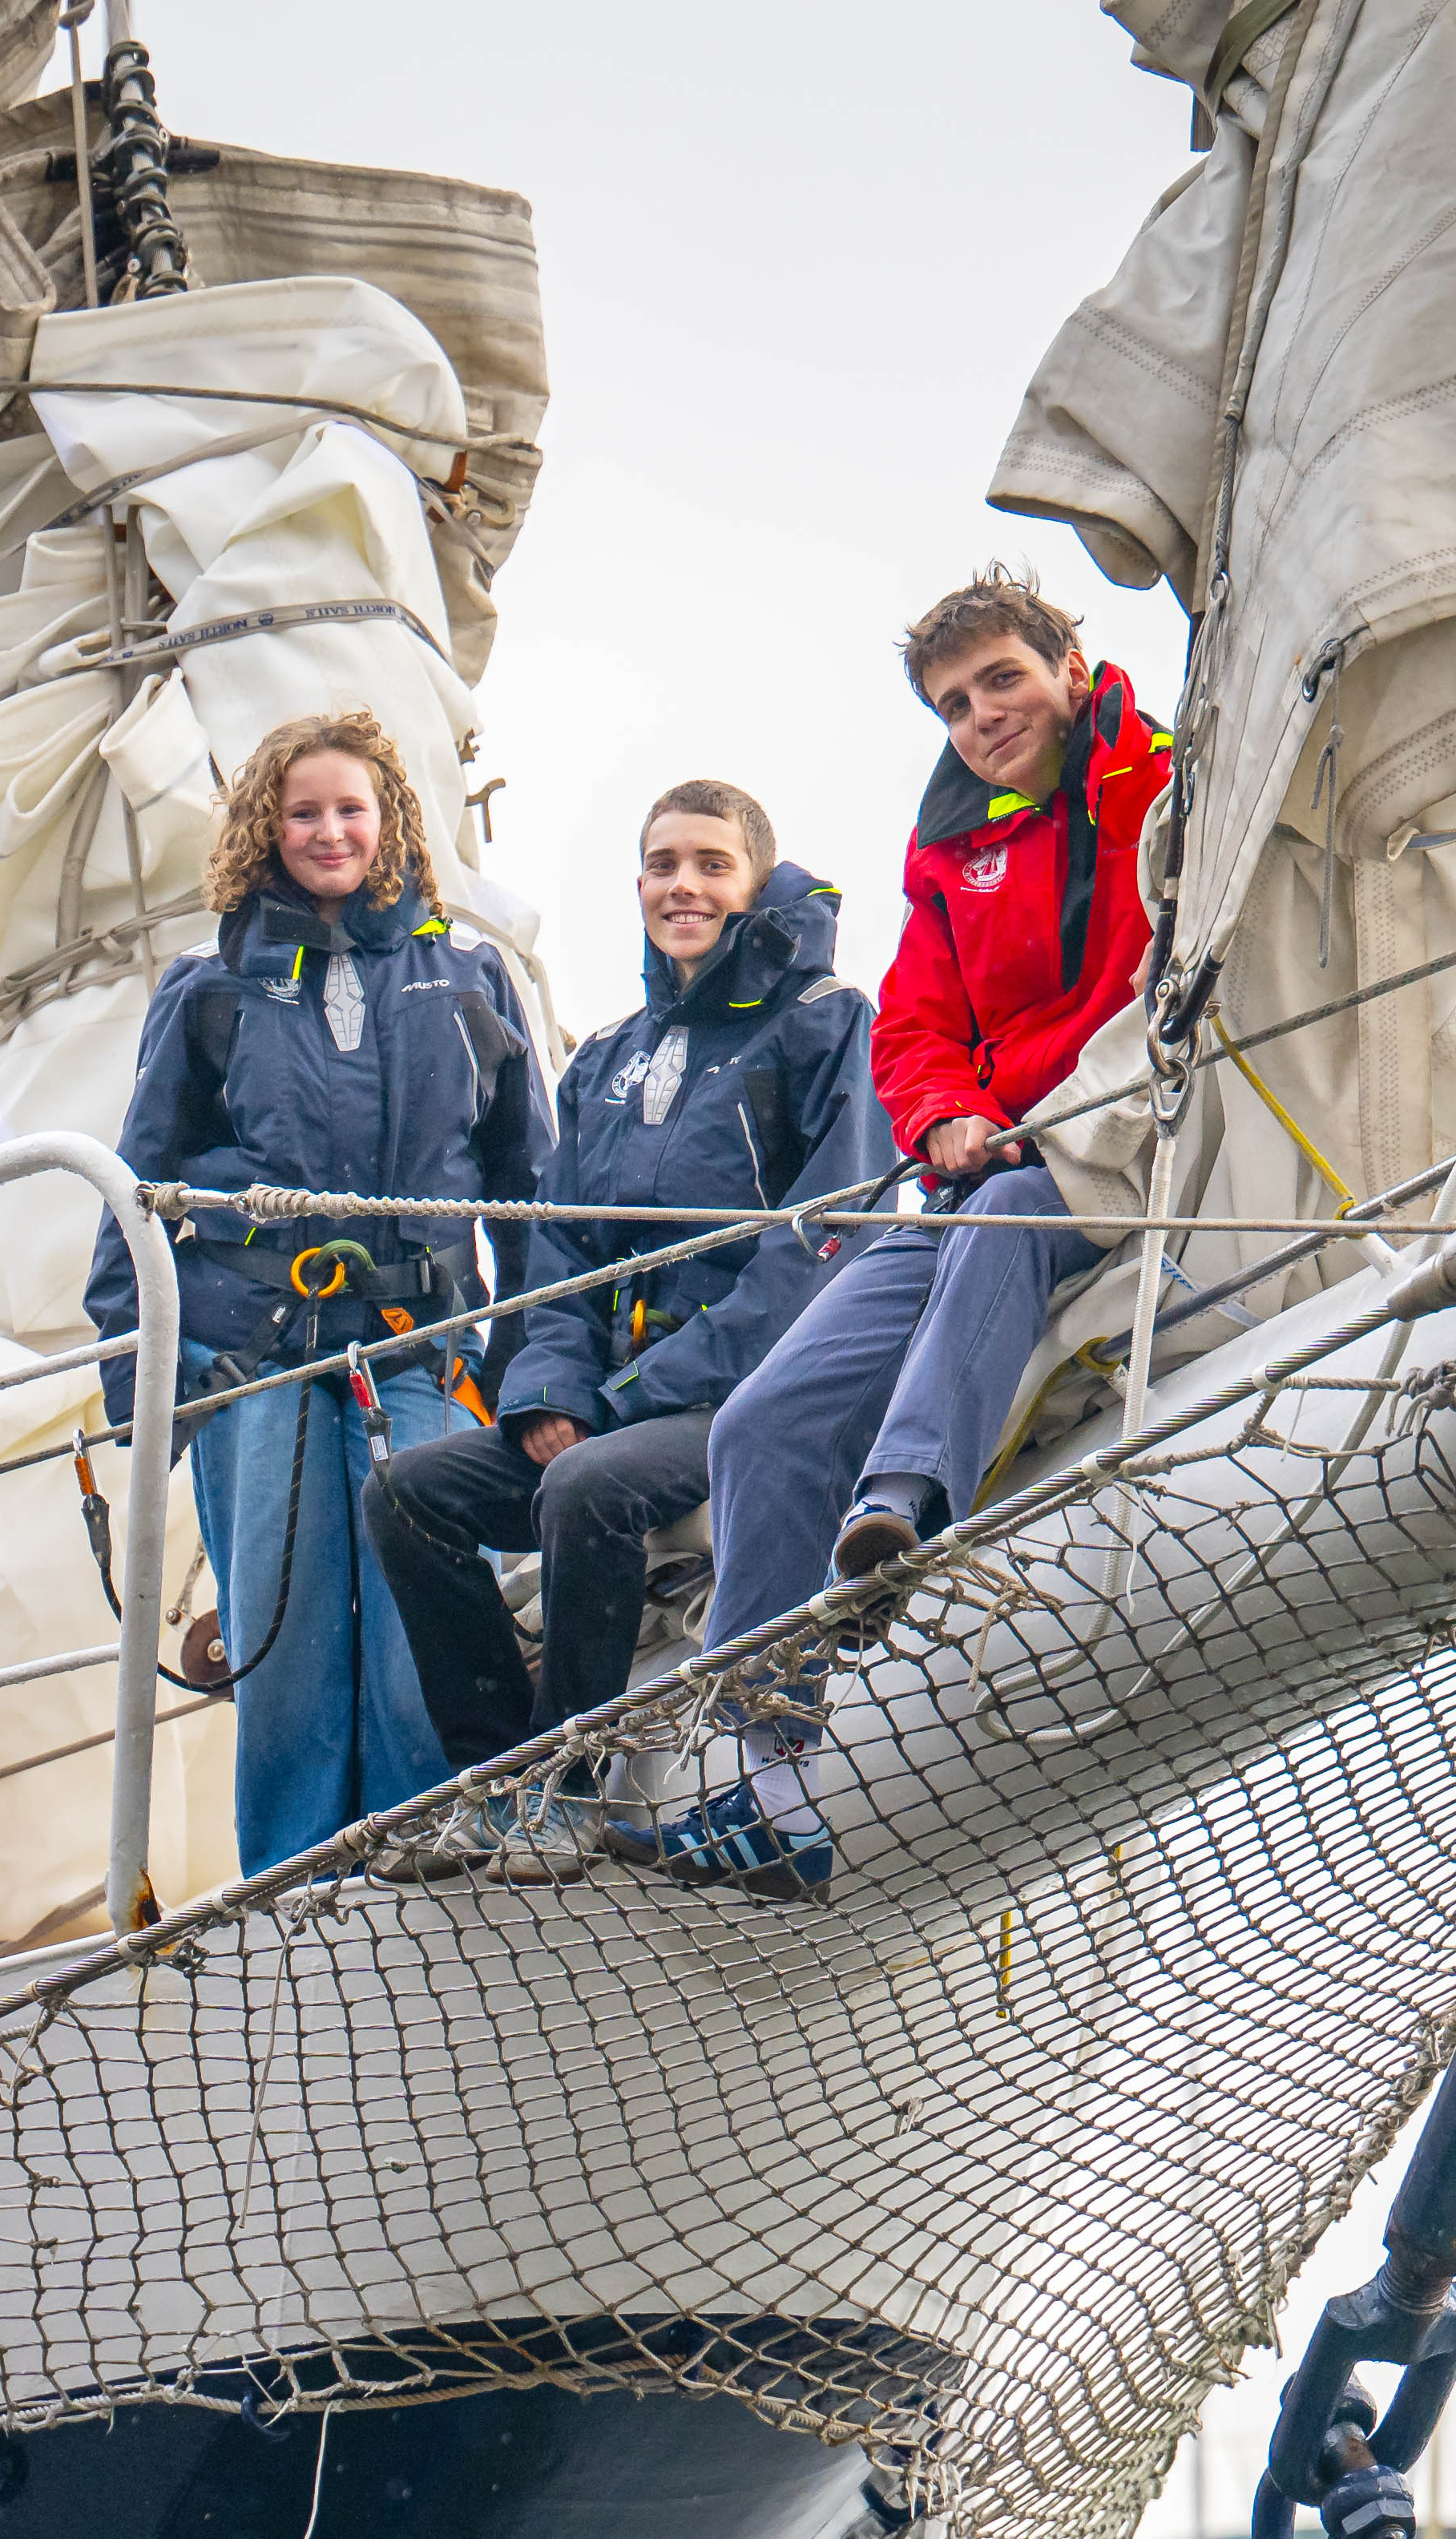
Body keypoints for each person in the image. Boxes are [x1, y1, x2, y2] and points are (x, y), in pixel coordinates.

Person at [356, 781, 875, 1855]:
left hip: (741, 1398)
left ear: (753, 885)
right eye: (661, 864)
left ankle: (571, 1790)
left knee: (591, 1483)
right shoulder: (605, 1058)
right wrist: (550, 1391)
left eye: (709, 864)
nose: (681, 884)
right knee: (410, 1494)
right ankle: (495, 1776)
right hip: (606, 1398)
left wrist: (627, 1397)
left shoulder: (827, 1026)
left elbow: (823, 1249)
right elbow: (562, 1255)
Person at [85, 708, 553, 1875]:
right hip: (263, 1357)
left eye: (352, 808)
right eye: (305, 813)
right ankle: (294, 1877)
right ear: (267, 829)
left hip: (428, 1348)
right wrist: (136, 1384)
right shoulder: (209, 990)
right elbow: (137, 1196)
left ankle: (428, 1838)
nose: (330, 831)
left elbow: (533, 1191)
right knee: (283, 1638)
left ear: (391, 819)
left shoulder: (468, 976)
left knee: (423, 1625)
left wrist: (540, 1364)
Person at [698, 573, 1176, 1643]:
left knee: (1004, 1215)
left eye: (1002, 680)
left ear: (1070, 669)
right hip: (976, 1172)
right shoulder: (951, 854)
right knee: (758, 1423)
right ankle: (757, 1752)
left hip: (1113, 1144)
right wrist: (946, 1116)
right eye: (954, 705)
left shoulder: (1162, 786)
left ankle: (897, 1512)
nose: (981, 717)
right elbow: (911, 1031)